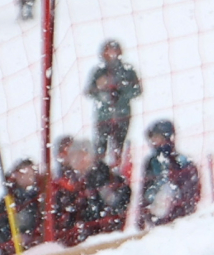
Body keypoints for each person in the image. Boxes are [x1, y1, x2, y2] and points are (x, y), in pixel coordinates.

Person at [83, 39, 142, 170]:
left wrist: (121, 89)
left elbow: (137, 90)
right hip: (103, 116)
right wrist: (100, 88)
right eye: (108, 51)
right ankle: (100, 172)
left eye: (114, 51)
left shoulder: (128, 71)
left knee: (118, 148)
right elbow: (89, 91)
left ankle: (117, 171)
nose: (111, 55)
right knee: (100, 148)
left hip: (122, 116)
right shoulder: (99, 72)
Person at [138, 119, 203, 228]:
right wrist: (142, 215)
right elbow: (144, 190)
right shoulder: (151, 162)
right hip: (156, 220)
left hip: (179, 218)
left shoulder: (182, 162)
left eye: (157, 137)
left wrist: (182, 208)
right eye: (152, 138)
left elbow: (191, 191)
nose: (153, 141)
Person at [0, 159, 47, 255]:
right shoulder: (7, 201)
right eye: (24, 174)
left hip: (38, 253)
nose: (28, 177)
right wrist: (12, 240)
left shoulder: (41, 197)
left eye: (31, 174)